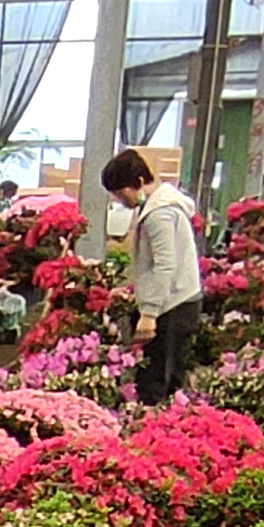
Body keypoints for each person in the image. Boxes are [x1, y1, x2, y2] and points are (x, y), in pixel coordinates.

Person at [103, 147, 203, 405]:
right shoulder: (155, 209)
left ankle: (157, 434)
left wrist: (149, 314)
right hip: (172, 302)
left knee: (158, 382)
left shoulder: (160, 214)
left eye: (121, 192)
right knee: (157, 377)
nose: (120, 200)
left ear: (138, 183)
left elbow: (164, 265)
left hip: (174, 305)